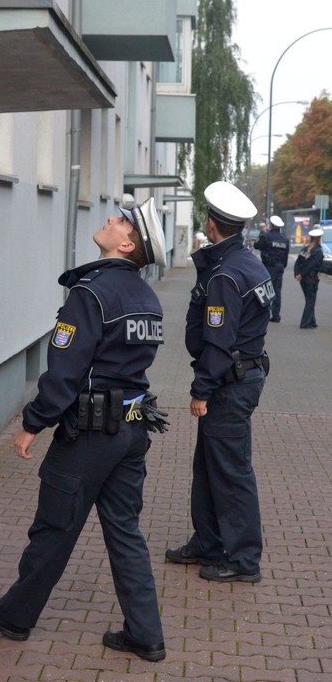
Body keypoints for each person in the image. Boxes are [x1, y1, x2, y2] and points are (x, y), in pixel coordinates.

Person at [0, 198, 169, 662]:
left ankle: (14, 616)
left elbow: (66, 371)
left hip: (90, 437)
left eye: (120, 220)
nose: (111, 218)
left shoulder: (91, 292)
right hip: (132, 431)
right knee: (125, 533)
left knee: (54, 528)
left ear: (126, 243)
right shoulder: (148, 298)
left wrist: (32, 424)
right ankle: (146, 633)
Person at [165, 181, 274, 583]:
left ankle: (243, 560)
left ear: (211, 224)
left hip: (229, 383)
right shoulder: (250, 263)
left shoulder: (226, 276)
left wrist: (200, 390)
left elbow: (218, 341)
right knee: (210, 466)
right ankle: (208, 543)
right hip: (242, 377)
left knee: (230, 472)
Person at [253, 215, 290, 322]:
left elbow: (257, 246)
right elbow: (286, 255)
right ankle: (276, 315)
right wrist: (282, 266)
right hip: (280, 267)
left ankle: (264, 314)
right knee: (277, 291)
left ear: (271, 225)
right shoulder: (285, 239)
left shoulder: (266, 236)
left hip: (268, 267)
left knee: (266, 289)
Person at [294, 227, 324, 329]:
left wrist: (297, 274)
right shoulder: (318, 251)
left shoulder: (304, 249)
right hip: (311, 279)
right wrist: (301, 274)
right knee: (311, 301)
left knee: (309, 300)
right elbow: (311, 265)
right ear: (319, 238)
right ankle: (305, 323)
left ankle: (312, 321)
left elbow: (298, 262)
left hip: (303, 279)